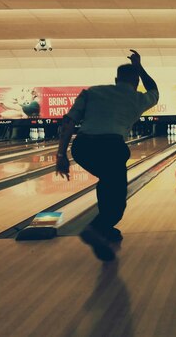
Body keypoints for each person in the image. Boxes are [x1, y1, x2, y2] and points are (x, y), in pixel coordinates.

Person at [55, 50, 158, 262]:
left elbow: (68, 123)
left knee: (107, 182)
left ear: (115, 79)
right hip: (112, 147)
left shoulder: (92, 92)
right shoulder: (139, 98)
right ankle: (96, 228)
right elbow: (154, 89)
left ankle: (106, 229)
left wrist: (61, 155)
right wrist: (140, 66)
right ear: (136, 81)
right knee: (117, 201)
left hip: (82, 147)